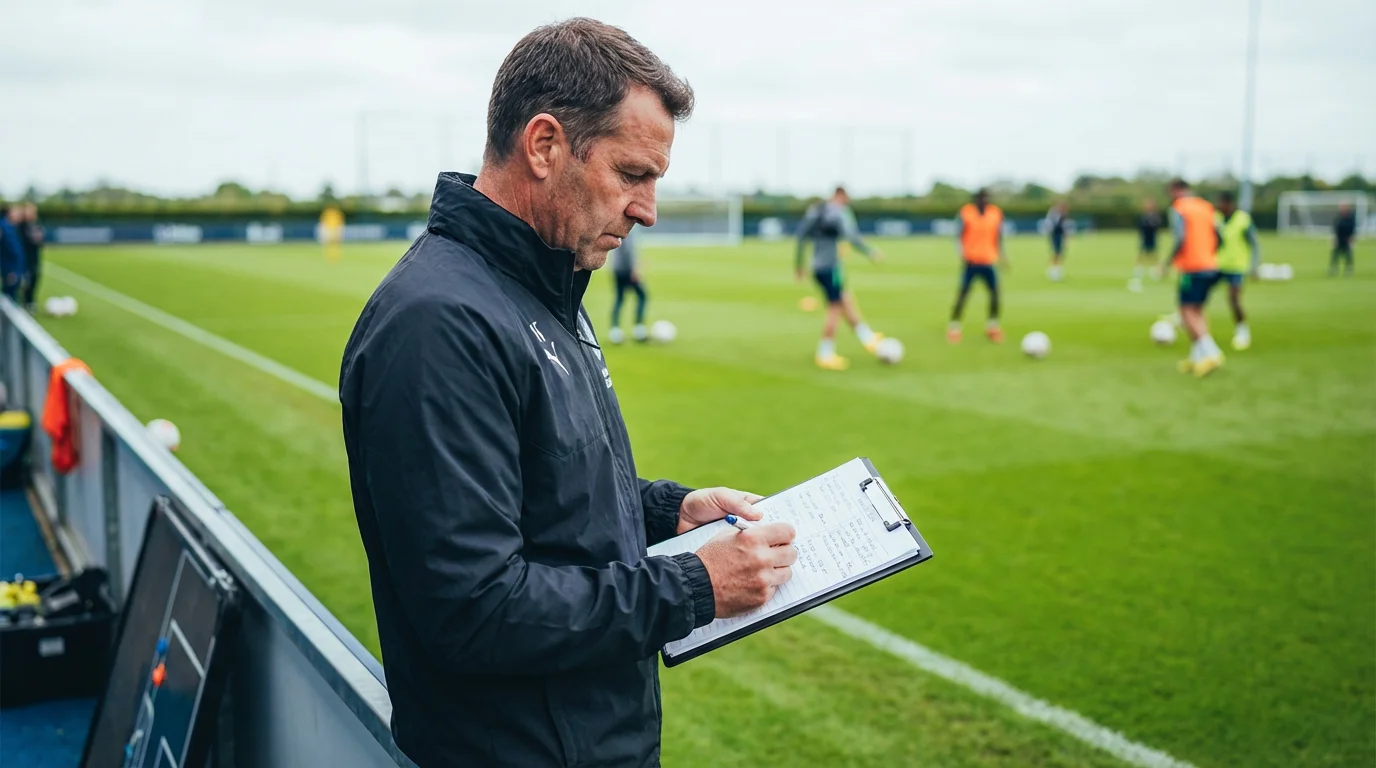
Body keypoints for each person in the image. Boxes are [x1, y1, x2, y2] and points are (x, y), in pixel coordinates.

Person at [339, 19, 797, 768]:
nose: (647, 210)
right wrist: (692, 584)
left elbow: (545, 490)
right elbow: (475, 608)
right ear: (545, 145)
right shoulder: (438, 322)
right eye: (632, 174)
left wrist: (668, 511)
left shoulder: (544, 284)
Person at [794, 186, 885, 370]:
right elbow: (851, 236)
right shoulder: (836, 213)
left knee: (846, 299)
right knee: (835, 308)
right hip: (830, 267)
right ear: (840, 195)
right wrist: (870, 252)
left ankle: (866, 337)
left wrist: (798, 264)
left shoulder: (816, 210)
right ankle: (825, 353)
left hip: (817, 266)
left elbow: (801, 235)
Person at [1163, 179, 1224, 376]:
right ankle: (1197, 357)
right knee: (1198, 310)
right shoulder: (1206, 207)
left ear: (1176, 190)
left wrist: (1168, 262)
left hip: (1192, 267)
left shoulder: (1180, 208)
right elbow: (1219, 236)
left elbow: (1180, 238)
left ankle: (1211, 351)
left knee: (1186, 311)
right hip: (1211, 265)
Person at [948, 188, 1006, 343]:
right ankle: (954, 327)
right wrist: (962, 254)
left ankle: (992, 326)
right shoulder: (966, 213)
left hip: (988, 260)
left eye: (986, 198)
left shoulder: (995, 213)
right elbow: (958, 235)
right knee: (963, 294)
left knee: (995, 294)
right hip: (971, 261)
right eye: (981, 198)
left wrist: (1002, 255)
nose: (983, 201)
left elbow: (998, 236)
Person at [1214, 191, 1260, 350]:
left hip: (1236, 266)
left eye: (1223, 203)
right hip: (1216, 264)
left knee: (1234, 299)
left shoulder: (1243, 219)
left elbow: (1254, 243)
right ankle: (1187, 319)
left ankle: (1242, 330)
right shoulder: (1216, 218)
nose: (1221, 207)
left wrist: (1254, 266)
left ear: (1230, 204)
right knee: (1200, 294)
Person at [607, 227, 647, 343]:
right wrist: (634, 268)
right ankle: (639, 330)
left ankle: (615, 331)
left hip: (617, 268)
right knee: (642, 296)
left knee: (619, 298)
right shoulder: (630, 228)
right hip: (627, 269)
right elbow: (629, 249)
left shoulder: (618, 224)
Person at [1130, 198, 1163, 292]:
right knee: (1141, 256)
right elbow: (1140, 226)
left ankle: (1157, 272)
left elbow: (1156, 226)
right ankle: (1138, 271)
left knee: (1154, 256)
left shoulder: (1155, 216)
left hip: (1152, 238)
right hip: (1144, 239)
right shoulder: (1144, 216)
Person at [20, 203, 44, 312]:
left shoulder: (37, 224)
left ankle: (30, 301)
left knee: (35, 279)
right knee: (26, 281)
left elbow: (40, 241)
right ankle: (26, 301)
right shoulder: (22, 226)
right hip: (25, 258)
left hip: (35, 258)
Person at [0, 206, 27, 301]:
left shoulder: (13, 228)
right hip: (9, 268)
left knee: (13, 296)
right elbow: (11, 251)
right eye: (16, 213)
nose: (19, 216)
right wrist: (11, 270)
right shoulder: (4, 227)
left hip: (15, 268)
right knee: (9, 297)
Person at [1331, 203, 1357, 277]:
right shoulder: (1339, 217)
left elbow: (1353, 227)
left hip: (1347, 238)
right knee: (1335, 255)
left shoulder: (1350, 217)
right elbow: (1335, 227)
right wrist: (1335, 238)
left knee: (1348, 255)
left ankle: (1349, 270)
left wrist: (1351, 237)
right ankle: (1334, 269)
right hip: (1339, 238)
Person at [1046, 201, 1069, 281]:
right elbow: (1054, 226)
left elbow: (1063, 228)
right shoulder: (1054, 214)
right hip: (1055, 236)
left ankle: (1057, 269)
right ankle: (1053, 270)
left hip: (1059, 236)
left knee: (1059, 253)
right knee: (1056, 253)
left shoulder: (1062, 215)